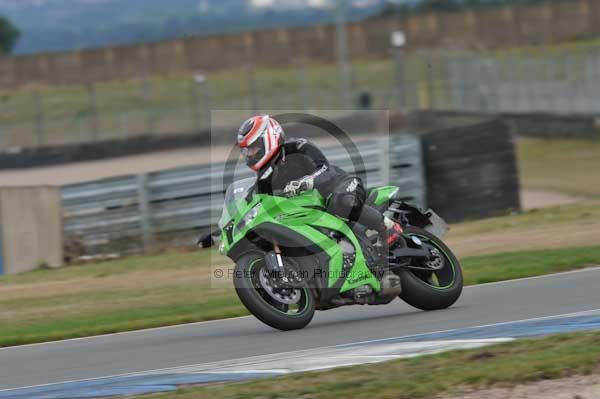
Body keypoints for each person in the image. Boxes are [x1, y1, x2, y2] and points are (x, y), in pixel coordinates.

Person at [236, 114, 403, 247]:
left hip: (342, 185)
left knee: (340, 202)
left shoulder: (300, 148)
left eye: (254, 148)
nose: (250, 154)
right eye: (247, 151)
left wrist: (307, 181)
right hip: (315, 210)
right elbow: (253, 202)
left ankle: (387, 227)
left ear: (269, 138)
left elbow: (326, 170)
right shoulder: (264, 177)